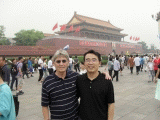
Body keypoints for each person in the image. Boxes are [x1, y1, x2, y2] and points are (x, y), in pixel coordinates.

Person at [76, 50, 115, 120]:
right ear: (84, 63)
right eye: (87, 60)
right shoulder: (79, 79)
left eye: (94, 60)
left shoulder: (106, 81)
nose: (90, 63)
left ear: (99, 63)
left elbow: (111, 103)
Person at [41, 49, 79, 120]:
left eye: (64, 61)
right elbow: (44, 105)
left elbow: (89, 79)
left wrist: (104, 75)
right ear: (53, 63)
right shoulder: (47, 81)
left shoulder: (75, 76)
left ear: (68, 62)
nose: (61, 64)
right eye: (58, 61)